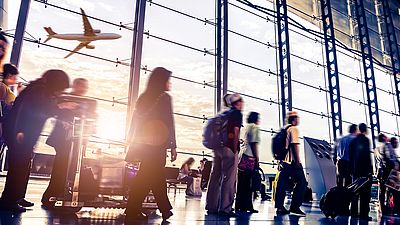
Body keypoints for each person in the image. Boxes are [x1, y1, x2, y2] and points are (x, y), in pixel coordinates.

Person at [0, 70, 75, 212]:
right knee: (18, 167)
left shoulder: (40, 89)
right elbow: (31, 111)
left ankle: (17, 197)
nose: (60, 91)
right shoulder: (38, 90)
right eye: (61, 88)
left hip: (23, 133)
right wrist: (20, 132)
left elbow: (45, 109)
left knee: (23, 165)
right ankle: (8, 200)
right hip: (20, 132)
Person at [124, 67, 177, 223]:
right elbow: (169, 122)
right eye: (168, 80)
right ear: (161, 81)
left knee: (147, 177)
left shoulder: (143, 98)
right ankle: (163, 209)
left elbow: (135, 120)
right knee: (152, 176)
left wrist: (130, 139)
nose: (170, 83)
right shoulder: (165, 98)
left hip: (143, 145)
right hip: (157, 145)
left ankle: (134, 209)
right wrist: (173, 145)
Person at [41, 78, 92, 207]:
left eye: (84, 86)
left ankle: (60, 194)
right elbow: (54, 113)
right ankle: (52, 195)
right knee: (61, 167)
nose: (83, 89)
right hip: (63, 139)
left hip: (77, 139)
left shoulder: (84, 102)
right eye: (81, 86)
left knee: (69, 167)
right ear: (75, 86)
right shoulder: (65, 99)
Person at [206, 94, 243, 217]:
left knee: (215, 177)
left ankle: (211, 206)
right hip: (229, 148)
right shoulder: (236, 113)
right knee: (229, 179)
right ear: (237, 103)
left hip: (217, 148)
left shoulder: (223, 114)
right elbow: (235, 131)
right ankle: (225, 209)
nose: (242, 103)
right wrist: (234, 148)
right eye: (241, 101)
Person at [274, 111, 306, 216]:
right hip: (291, 162)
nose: (299, 120)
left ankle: (279, 207)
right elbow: (294, 145)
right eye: (297, 118)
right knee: (302, 182)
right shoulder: (294, 129)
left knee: (281, 184)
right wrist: (297, 161)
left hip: (283, 162)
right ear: (294, 119)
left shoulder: (284, 129)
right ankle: (295, 207)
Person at [235, 112, 260, 213]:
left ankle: (239, 205)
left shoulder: (246, 127)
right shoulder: (254, 127)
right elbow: (254, 144)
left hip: (242, 156)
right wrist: (257, 159)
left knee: (241, 183)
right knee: (248, 183)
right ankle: (248, 206)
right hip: (249, 157)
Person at [349, 123, 373, 221]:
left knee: (354, 192)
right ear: (365, 130)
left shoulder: (353, 141)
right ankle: (363, 214)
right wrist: (369, 171)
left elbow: (350, 156)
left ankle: (353, 213)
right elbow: (366, 156)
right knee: (365, 194)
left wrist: (351, 169)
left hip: (355, 171)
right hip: (364, 171)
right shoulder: (366, 140)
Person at [375, 134, 399, 215]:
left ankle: (382, 208)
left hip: (380, 172)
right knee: (394, 190)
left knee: (382, 191)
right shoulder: (387, 145)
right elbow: (389, 158)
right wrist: (396, 165)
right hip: (388, 171)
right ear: (384, 138)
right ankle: (395, 209)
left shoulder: (376, 149)